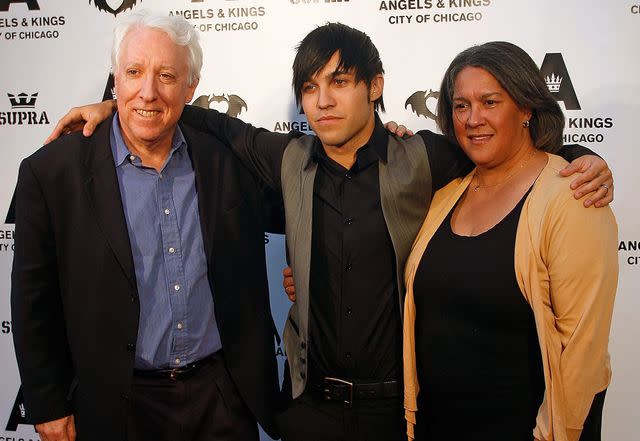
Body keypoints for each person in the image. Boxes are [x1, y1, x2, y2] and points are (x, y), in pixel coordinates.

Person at [46, 24, 614, 441]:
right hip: (309, 411)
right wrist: (115, 102)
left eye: (339, 82)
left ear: (374, 86)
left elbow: (505, 153)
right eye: (310, 86)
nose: (322, 100)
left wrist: (576, 156)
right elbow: (195, 114)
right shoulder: (286, 157)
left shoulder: (426, 157)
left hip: (403, 414)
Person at [11, 10, 281, 441]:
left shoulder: (227, 161)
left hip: (221, 399)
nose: (148, 91)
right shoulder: (51, 175)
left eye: (167, 76)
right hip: (118, 405)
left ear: (191, 86)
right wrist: (47, 403)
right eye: (133, 72)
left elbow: (319, 189)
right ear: (114, 79)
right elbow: (32, 301)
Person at [402, 41, 618, 441]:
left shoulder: (573, 195)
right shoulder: (446, 195)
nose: (473, 118)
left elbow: (581, 354)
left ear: (525, 108)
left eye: (490, 102)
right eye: (461, 105)